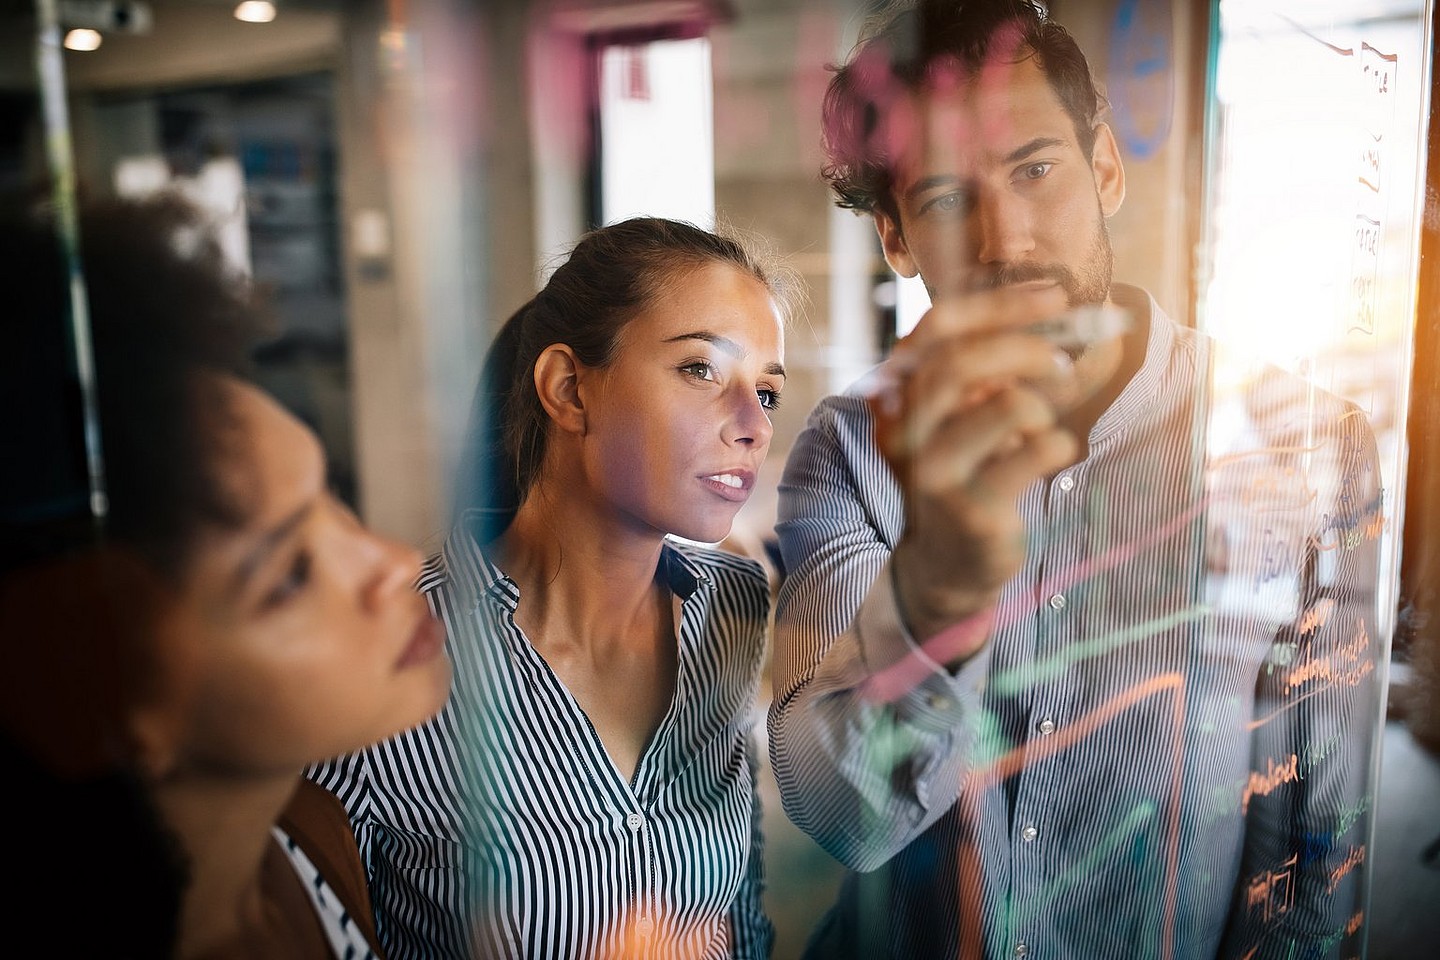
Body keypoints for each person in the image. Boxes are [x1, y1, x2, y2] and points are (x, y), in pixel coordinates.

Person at [767, 2, 1383, 959]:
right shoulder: (849, 449)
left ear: (1103, 168)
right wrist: (938, 594)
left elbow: (1313, 861)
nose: (1006, 239)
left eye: (1035, 170)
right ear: (896, 240)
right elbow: (849, 818)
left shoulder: (1307, 448)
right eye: (943, 199)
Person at [310, 217, 790, 959]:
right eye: (701, 369)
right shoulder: (389, 651)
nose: (752, 424)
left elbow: (741, 916)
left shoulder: (731, 606)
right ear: (569, 388)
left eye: (766, 392)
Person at [0, 194, 452, 958]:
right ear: (100, 680)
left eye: (331, 498)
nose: (396, 563)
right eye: (290, 576)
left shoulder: (307, 840)